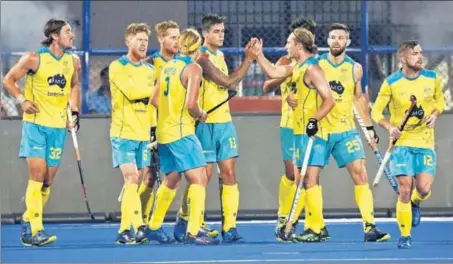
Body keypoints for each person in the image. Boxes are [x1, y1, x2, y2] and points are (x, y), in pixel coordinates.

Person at [172, 14, 258, 243]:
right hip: (204, 124)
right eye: (216, 32)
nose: (221, 35)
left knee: (229, 174)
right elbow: (229, 82)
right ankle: (186, 219)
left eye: (222, 31)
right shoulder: (201, 58)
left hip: (224, 123)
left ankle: (229, 227)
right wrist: (249, 59)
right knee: (203, 177)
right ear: (205, 34)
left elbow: (227, 84)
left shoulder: (220, 55)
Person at [2, 19, 81, 246]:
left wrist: (73, 111)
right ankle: (36, 230)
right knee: (37, 176)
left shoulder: (73, 61)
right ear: (55, 36)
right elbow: (9, 79)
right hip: (35, 125)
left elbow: (74, 85)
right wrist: (22, 99)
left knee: (47, 180)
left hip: (58, 127)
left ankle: (28, 220)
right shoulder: (34, 58)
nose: (72, 35)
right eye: (68, 32)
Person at [254, 28, 335, 242]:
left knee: (311, 179)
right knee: (303, 178)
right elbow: (273, 73)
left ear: (299, 45)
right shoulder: (296, 67)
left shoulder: (313, 69)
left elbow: (329, 100)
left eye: (289, 42)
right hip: (298, 132)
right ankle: (316, 226)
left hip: (313, 133)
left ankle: (316, 228)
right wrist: (258, 55)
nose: (286, 46)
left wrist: (314, 120)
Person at [315, 23, 390, 242]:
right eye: (332, 37)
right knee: (310, 177)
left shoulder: (355, 68)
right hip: (320, 130)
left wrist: (368, 129)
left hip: (346, 130)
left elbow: (358, 98)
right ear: (327, 41)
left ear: (347, 42)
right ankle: (316, 226)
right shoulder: (317, 65)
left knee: (361, 174)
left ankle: (369, 226)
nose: (336, 41)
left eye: (341, 38)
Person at [146, 28, 219, 245]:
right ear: (197, 48)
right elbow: (191, 105)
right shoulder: (193, 68)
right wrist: (200, 115)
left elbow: (155, 99)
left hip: (164, 131)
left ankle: (153, 226)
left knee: (172, 178)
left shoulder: (168, 66)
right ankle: (193, 231)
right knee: (199, 178)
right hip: (181, 132)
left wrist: (172, 111)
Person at [371, 40, 445, 249]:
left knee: (423, 188)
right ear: (402, 58)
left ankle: (416, 201)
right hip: (401, 143)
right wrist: (389, 127)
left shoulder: (432, 78)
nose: (420, 57)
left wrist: (436, 114)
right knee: (404, 188)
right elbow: (375, 112)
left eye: (421, 53)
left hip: (425, 141)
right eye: (415, 54)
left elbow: (439, 101)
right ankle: (405, 236)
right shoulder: (391, 83)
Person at [108, 22, 155, 244]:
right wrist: (154, 90)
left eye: (146, 40)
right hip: (123, 132)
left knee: (137, 181)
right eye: (139, 40)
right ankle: (137, 226)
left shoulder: (150, 70)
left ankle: (124, 230)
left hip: (143, 134)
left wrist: (153, 130)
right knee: (132, 177)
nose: (144, 44)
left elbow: (154, 104)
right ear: (128, 42)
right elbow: (133, 92)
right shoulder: (117, 67)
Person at [139, 20, 180, 225]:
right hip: (153, 126)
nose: (177, 41)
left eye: (178, 37)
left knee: (175, 174)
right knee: (149, 176)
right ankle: (139, 222)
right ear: (161, 39)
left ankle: (160, 222)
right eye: (173, 37)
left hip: (176, 128)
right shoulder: (150, 63)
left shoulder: (182, 62)